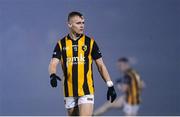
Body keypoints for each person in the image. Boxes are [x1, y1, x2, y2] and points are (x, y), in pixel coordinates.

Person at [48, 11, 117, 116]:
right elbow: (53, 63)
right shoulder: (61, 44)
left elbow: (101, 66)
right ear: (69, 24)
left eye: (83, 23)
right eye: (78, 23)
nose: (82, 26)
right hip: (69, 91)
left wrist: (110, 85)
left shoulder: (90, 42)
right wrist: (52, 75)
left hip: (86, 90)